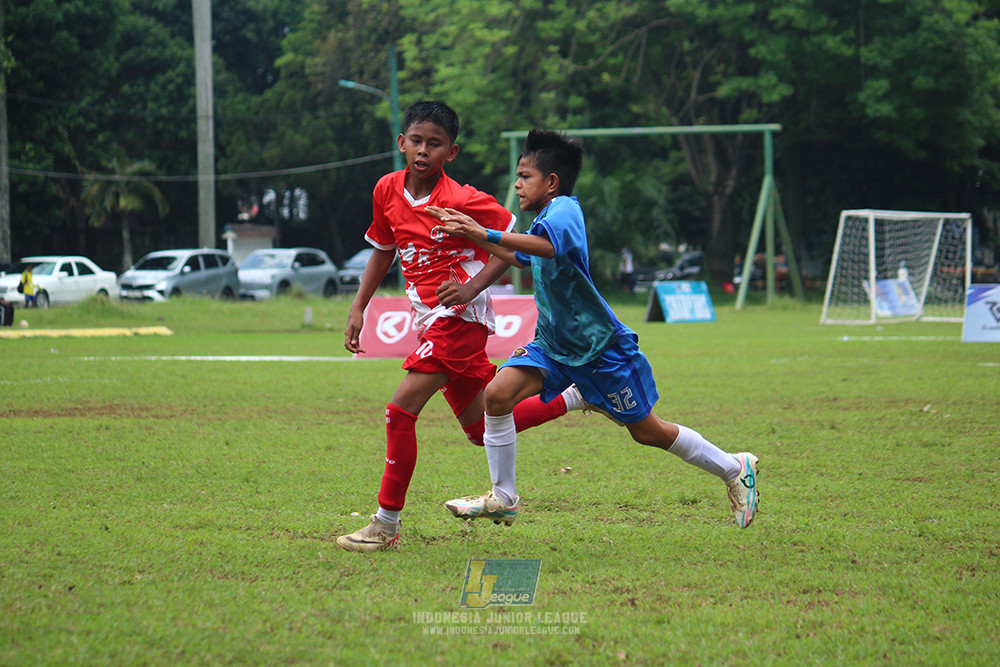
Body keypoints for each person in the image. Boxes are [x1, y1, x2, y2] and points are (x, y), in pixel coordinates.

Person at [429, 129, 760, 530]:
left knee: (647, 431)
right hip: (554, 346)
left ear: (551, 182)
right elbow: (521, 256)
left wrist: (482, 233)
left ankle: (733, 467)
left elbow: (548, 249)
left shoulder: (565, 209)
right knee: (496, 397)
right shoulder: (542, 219)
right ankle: (504, 497)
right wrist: (470, 231)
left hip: (600, 349)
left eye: (524, 176)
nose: (516, 184)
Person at [337, 103, 587, 552]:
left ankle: (385, 523)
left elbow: (510, 243)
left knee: (400, 410)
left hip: (458, 320)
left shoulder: (463, 198)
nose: (423, 151)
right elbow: (382, 249)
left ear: (450, 153)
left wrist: (471, 288)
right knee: (479, 428)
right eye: (416, 141)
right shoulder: (386, 189)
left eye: (434, 144)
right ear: (401, 143)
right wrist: (360, 307)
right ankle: (576, 397)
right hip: (428, 320)